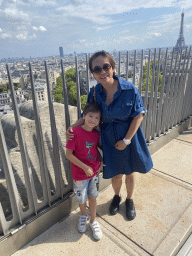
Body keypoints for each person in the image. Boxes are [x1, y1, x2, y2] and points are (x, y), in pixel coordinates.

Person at [66, 50, 153, 221]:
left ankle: (129, 199)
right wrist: (73, 126)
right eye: (97, 69)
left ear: (113, 67)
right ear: (93, 73)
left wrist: (127, 140)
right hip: (108, 139)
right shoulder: (94, 92)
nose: (102, 71)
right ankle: (117, 196)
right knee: (116, 173)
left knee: (129, 172)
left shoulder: (129, 89)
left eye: (105, 66)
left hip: (128, 138)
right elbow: (88, 115)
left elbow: (139, 115)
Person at [66, 102, 105, 240]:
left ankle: (93, 220)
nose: (92, 120)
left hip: (93, 173)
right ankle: (83, 216)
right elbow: (69, 154)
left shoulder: (95, 134)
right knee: (81, 199)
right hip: (80, 175)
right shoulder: (74, 133)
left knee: (93, 197)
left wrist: (100, 161)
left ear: (99, 121)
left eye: (96, 118)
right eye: (90, 116)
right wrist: (85, 168)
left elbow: (94, 150)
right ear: (84, 116)